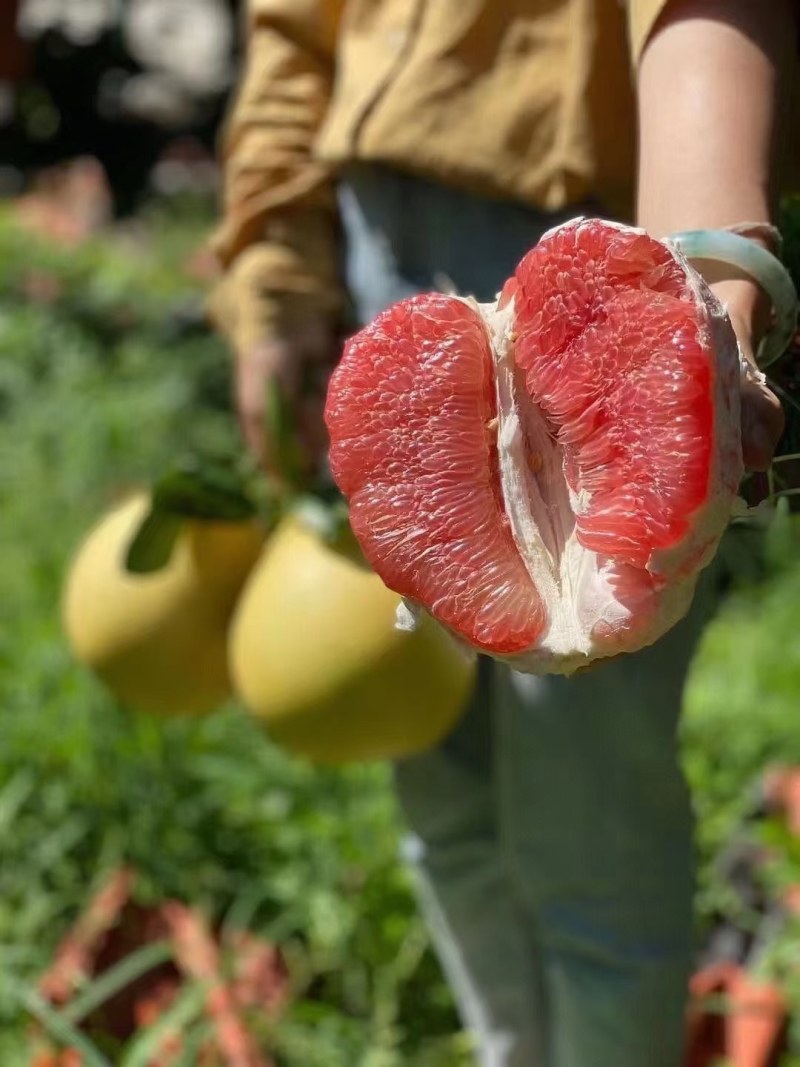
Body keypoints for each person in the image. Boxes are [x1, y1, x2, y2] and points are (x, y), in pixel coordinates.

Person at [209, 2, 797, 1064]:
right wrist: (277, 267)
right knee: (440, 783)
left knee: (588, 824)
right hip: (374, 236)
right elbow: (294, 25)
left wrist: (706, 263)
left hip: (615, 234)